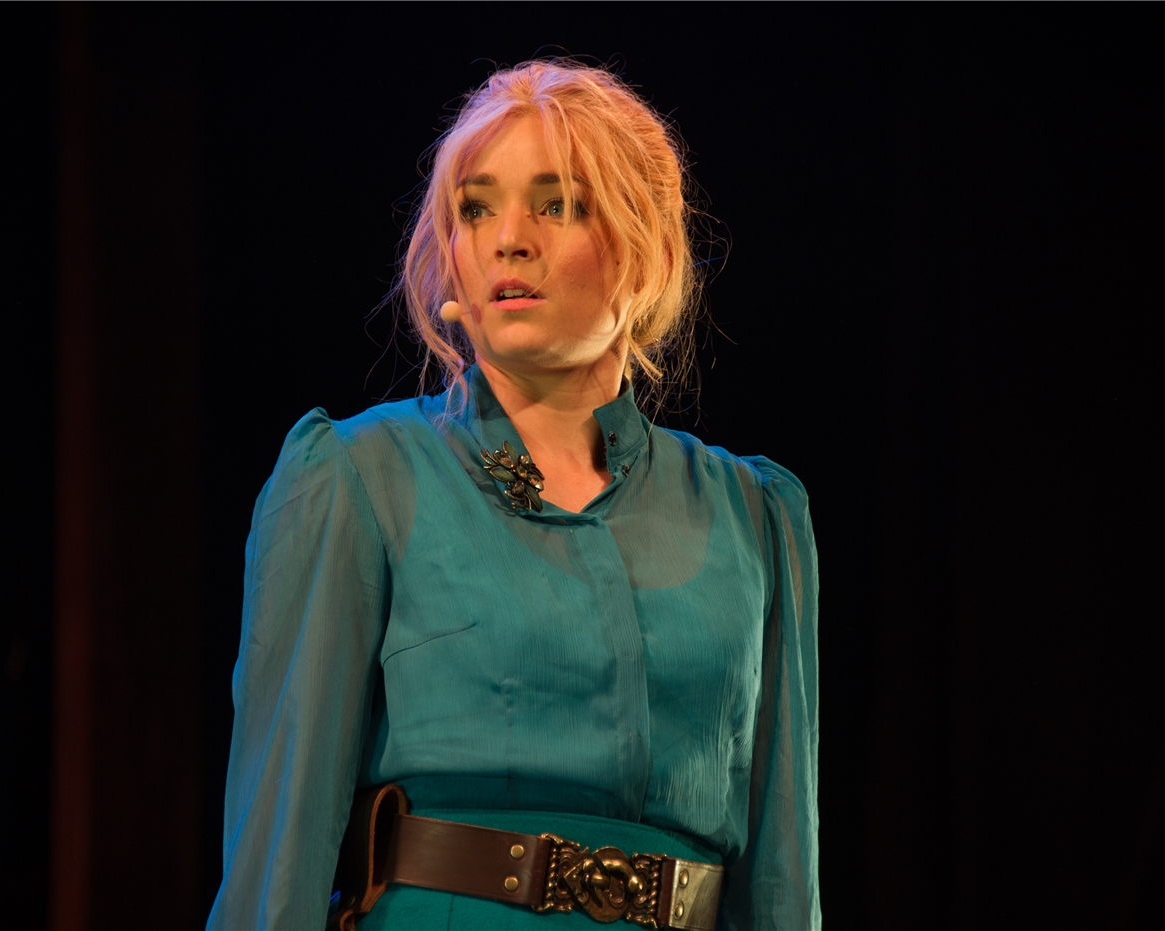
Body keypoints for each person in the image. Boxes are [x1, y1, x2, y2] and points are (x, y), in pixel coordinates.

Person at [207, 60, 819, 931]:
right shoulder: (359, 476)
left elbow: (785, 882)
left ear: (646, 245)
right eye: (475, 209)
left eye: (557, 204)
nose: (508, 239)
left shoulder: (754, 515)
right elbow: (278, 855)